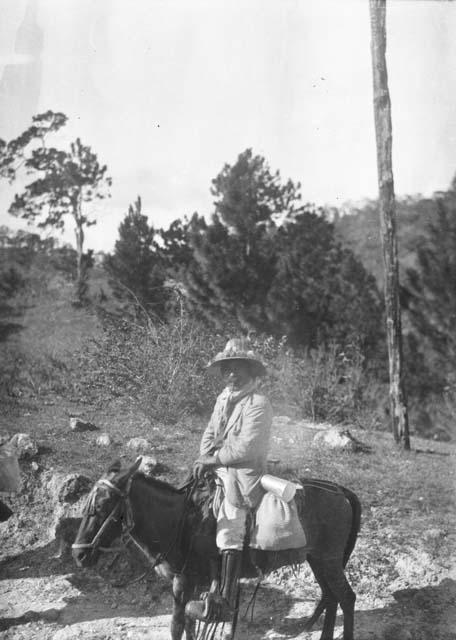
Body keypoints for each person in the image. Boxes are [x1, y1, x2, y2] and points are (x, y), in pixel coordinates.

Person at [185, 338, 273, 623]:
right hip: (217, 466)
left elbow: (248, 448)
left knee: (230, 519)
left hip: (243, 473)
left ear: (250, 371)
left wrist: (212, 460)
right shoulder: (222, 398)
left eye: (237, 369)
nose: (231, 375)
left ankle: (224, 598)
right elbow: (210, 433)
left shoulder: (258, 403)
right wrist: (203, 458)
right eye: (227, 370)